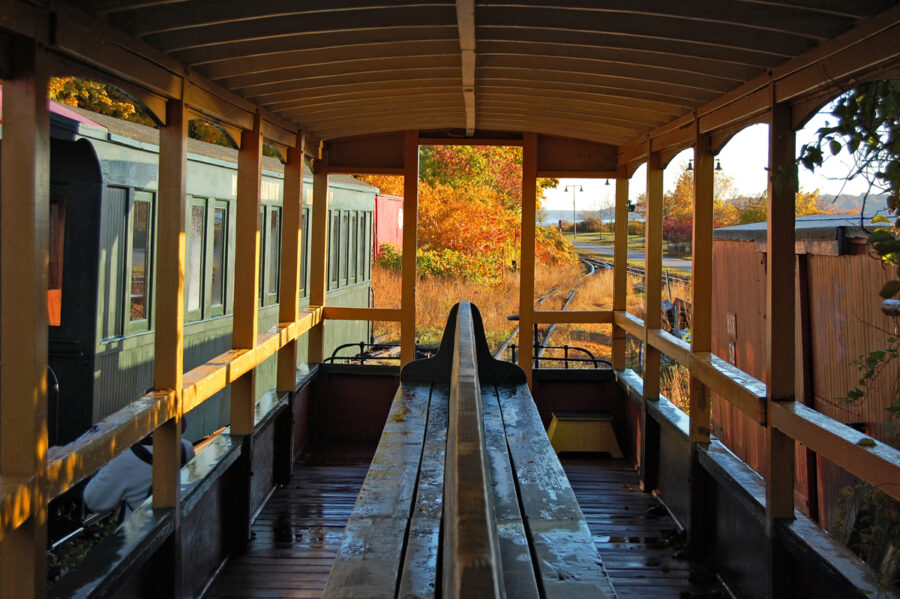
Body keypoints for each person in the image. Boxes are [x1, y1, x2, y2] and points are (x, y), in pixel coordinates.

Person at [83, 426, 195, 518]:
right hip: (173, 531)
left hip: (138, 539)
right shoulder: (186, 449)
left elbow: (92, 500)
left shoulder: (126, 460)